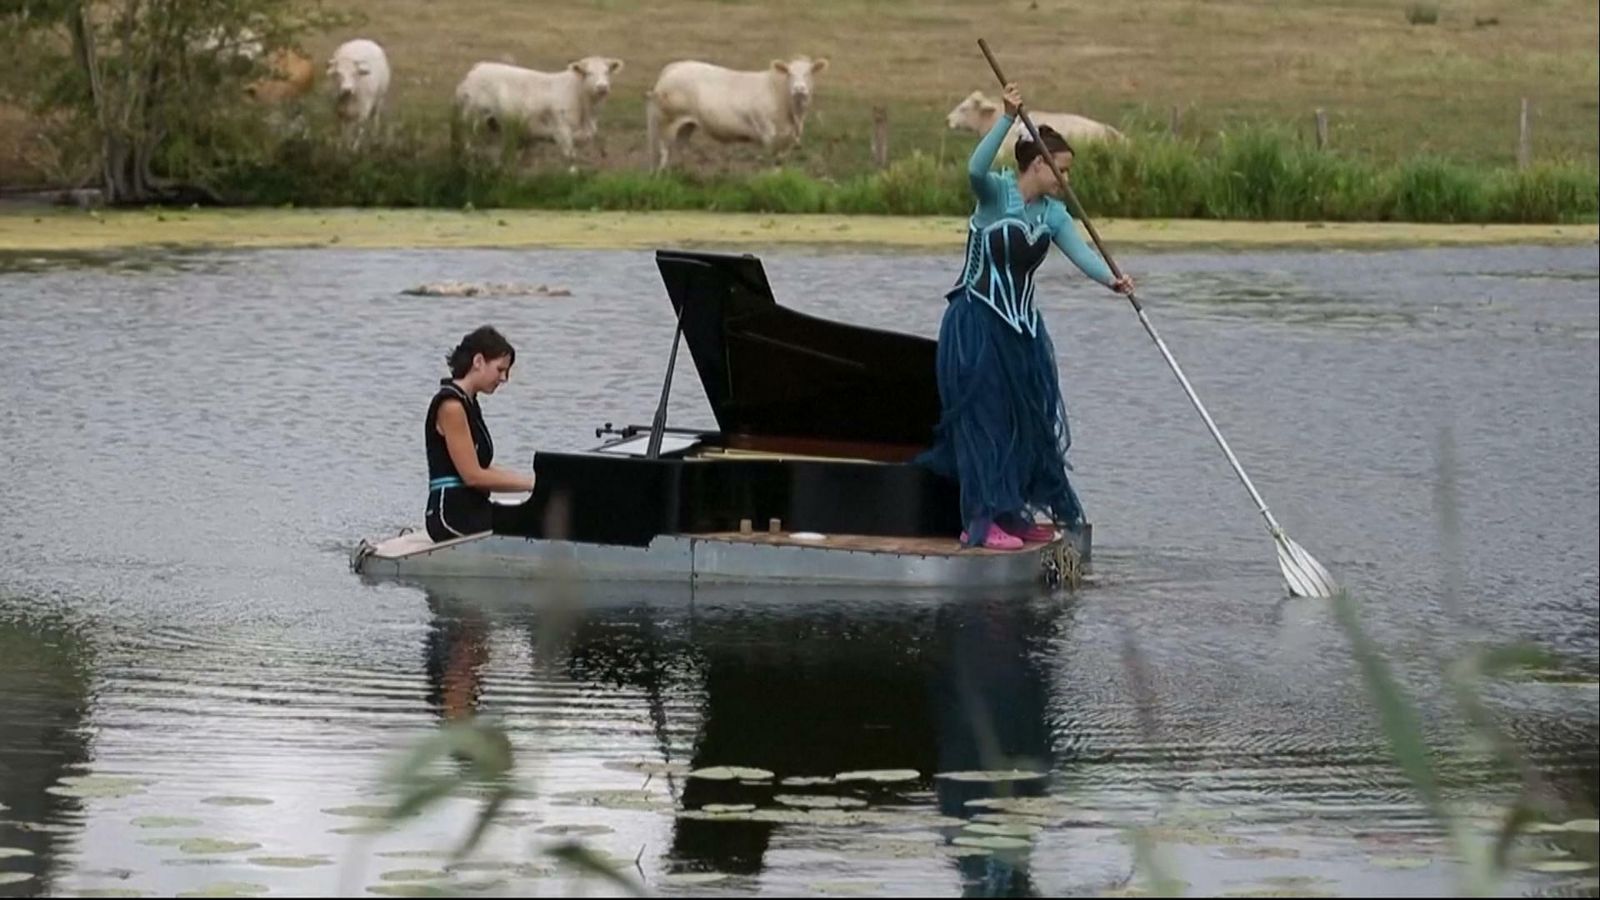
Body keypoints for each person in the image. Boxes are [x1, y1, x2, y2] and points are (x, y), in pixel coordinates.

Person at [917, 82, 1134, 551]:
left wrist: (1112, 281)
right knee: (986, 421)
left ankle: (1011, 514)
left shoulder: (1054, 215)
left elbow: (1081, 254)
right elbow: (974, 165)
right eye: (1062, 171)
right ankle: (979, 519)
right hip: (975, 323)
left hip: (1021, 332)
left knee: (1024, 421)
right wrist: (1006, 117)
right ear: (1038, 164)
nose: (1066, 181)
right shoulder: (994, 194)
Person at [424, 325, 535, 542]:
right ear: (478, 362)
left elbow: (483, 468)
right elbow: (473, 476)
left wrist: (534, 481)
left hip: (474, 508)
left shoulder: (469, 402)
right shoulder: (451, 406)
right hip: (452, 516)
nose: (504, 378)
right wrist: (532, 485)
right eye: (500, 370)